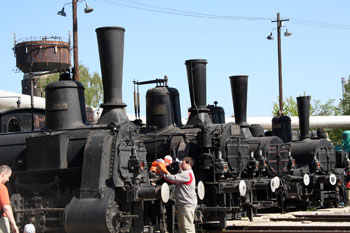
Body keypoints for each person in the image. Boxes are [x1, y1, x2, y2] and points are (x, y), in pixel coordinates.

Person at [159, 157, 197, 233]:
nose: (181, 165)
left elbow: (172, 178)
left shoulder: (187, 174)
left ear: (188, 164)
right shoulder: (184, 173)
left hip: (187, 204)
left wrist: (161, 171)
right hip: (183, 204)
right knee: (182, 227)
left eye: (183, 163)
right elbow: (175, 177)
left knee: (187, 227)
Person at [0, 165, 18, 233]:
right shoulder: (2, 188)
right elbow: (6, 207)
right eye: (8, 177)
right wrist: (13, 224)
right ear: (3, 174)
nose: (8, 179)